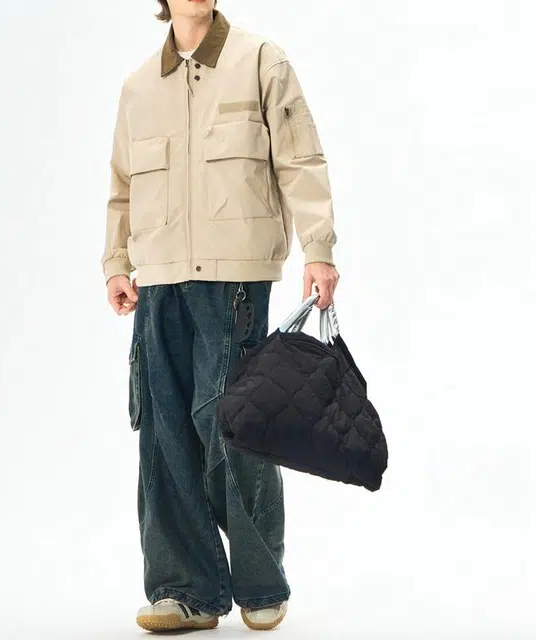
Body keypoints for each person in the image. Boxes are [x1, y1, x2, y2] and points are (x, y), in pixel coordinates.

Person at [101, 0, 339, 632]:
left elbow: (300, 159)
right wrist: (116, 262)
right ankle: (186, 591)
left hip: (235, 277)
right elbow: (122, 187)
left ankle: (260, 584)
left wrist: (319, 249)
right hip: (158, 280)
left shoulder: (260, 60)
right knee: (165, 434)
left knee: (235, 426)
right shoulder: (139, 86)